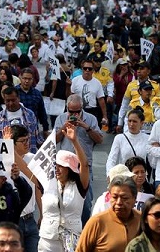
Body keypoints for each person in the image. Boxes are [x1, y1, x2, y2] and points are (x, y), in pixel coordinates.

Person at [38, 122, 90, 252]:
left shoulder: (79, 184)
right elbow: (27, 169)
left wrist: (74, 141)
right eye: (55, 165)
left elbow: (84, 164)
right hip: (48, 241)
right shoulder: (47, 182)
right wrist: (11, 147)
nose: (57, 169)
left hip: (72, 240)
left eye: (61, 166)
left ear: (69, 169)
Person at [53, 94, 103, 223]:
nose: (74, 114)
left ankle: (84, 229)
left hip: (84, 166)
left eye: (77, 111)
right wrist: (64, 126)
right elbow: (54, 140)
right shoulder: (60, 118)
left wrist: (86, 127)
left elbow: (100, 139)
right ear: (67, 108)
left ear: (82, 108)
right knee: (64, 200)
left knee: (85, 202)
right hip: (65, 167)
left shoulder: (91, 119)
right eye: (71, 111)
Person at [76, 176, 142, 252]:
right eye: (115, 197)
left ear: (134, 199)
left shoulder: (142, 220)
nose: (119, 202)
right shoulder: (97, 222)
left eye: (124, 198)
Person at [0, 86, 44, 153]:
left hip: (28, 157)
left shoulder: (30, 114)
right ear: (4, 100)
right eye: (8, 101)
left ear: (18, 98)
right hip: (7, 158)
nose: (11, 103)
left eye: (13, 100)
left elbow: (38, 139)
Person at [106, 108, 151, 174]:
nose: (131, 124)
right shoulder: (119, 138)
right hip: (124, 177)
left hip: (140, 177)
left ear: (141, 123)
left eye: (134, 121)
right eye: (129, 121)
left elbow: (152, 161)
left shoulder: (148, 138)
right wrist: (110, 174)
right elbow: (112, 158)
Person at [71, 59, 107, 126]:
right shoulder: (75, 80)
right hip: (78, 111)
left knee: (92, 131)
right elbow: (70, 97)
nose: (87, 70)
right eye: (85, 68)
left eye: (89, 69)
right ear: (82, 69)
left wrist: (105, 116)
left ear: (93, 70)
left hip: (92, 111)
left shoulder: (97, 83)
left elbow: (101, 100)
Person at [16, 68, 50, 132]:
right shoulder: (14, 92)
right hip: (17, 127)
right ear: (20, 78)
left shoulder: (37, 94)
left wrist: (45, 128)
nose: (27, 81)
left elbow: (42, 112)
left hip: (33, 128)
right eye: (25, 78)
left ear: (32, 80)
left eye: (29, 79)